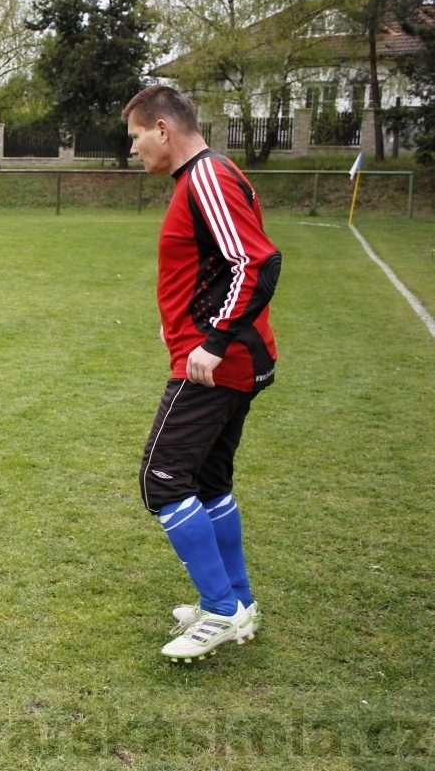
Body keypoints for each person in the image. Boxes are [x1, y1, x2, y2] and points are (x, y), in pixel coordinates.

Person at [122, 86, 281, 662]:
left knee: (162, 481)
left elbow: (258, 262)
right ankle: (237, 605)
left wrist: (213, 342)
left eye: (136, 136)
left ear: (163, 129)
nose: (134, 149)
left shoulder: (206, 176)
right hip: (222, 359)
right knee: (209, 482)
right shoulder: (201, 179)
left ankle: (217, 610)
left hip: (213, 366)